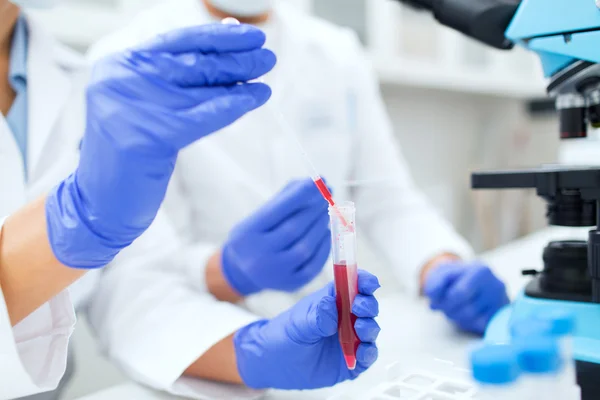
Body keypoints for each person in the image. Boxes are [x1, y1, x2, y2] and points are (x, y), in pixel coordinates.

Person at [84, 0, 508, 395]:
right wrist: (227, 273)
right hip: (205, 366)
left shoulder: (335, 52)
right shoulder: (126, 63)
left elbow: (386, 196)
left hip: (338, 346)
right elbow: (131, 280)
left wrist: (439, 264)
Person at [1, 2, 380, 399]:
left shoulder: (72, 77)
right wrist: (79, 219)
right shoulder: (121, 69)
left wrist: (250, 350)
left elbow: (135, 282)